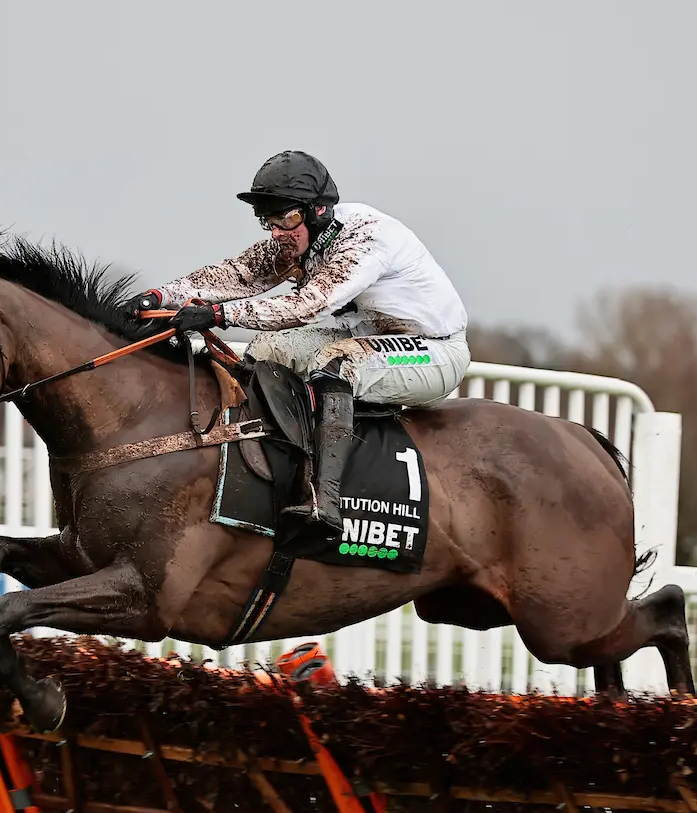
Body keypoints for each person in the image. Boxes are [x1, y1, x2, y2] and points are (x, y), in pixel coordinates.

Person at [123, 150, 470, 536]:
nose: (277, 233)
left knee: (336, 362)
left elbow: (309, 306)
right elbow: (236, 275)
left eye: (286, 220)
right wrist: (159, 297)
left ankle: (326, 500)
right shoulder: (300, 236)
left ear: (318, 211)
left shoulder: (366, 237)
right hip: (368, 338)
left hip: (434, 351)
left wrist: (218, 316)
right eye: (269, 222)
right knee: (267, 348)